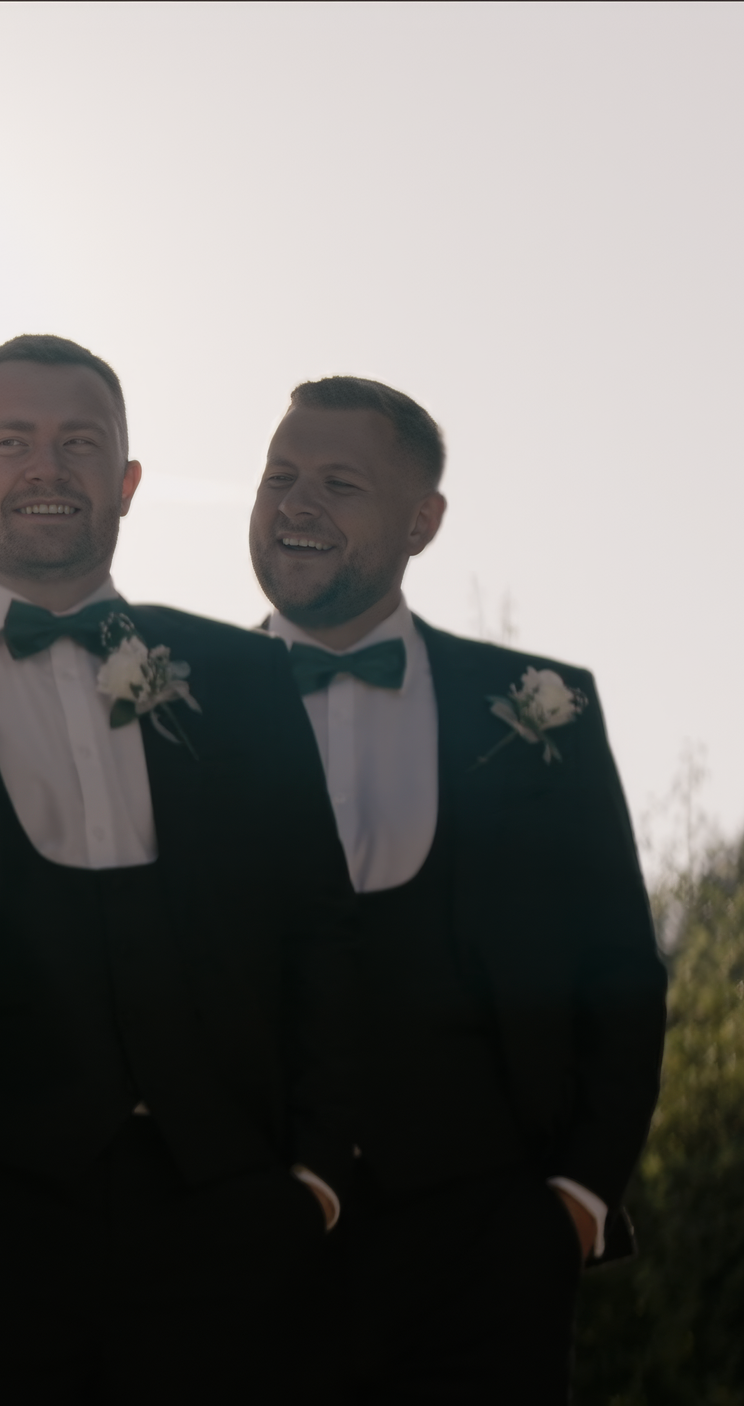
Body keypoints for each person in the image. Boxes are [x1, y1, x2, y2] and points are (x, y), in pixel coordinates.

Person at [0, 334, 356, 1402]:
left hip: (231, 1217)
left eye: (80, 441)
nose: (46, 467)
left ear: (128, 480)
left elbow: (319, 925)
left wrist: (319, 1177)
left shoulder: (244, 672)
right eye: (11, 442)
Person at [249, 375, 664, 1401]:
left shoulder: (541, 710)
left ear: (422, 519)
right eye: (279, 475)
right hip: (243, 1247)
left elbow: (618, 967)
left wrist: (571, 1198)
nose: (296, 503)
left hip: (490, 1252)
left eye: (338, 481)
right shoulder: (167, 695)